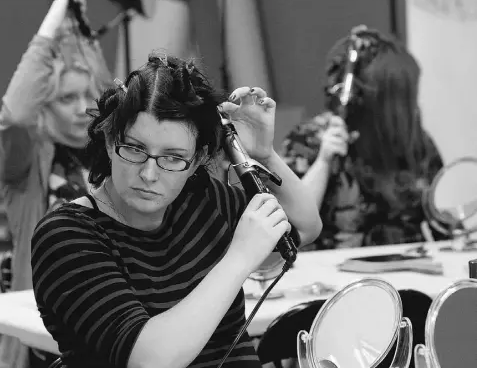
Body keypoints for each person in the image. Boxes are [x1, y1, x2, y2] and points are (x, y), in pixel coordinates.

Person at [30, 52, 322, 368]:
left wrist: (263, 155)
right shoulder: (66, 236)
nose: (149, 174)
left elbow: (304, 227)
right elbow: (150, 360)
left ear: (198, 159)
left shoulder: (203, 201)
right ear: (111, 140)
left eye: (172, 158)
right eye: (135, 149)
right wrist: (239, 258)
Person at [0, 0, 112, 368]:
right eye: (65, 98)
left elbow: (112, 96)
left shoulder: (115, 151)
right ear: (45, 104)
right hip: (47, 340)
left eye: (85, 96)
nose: (80, 108)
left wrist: (83, 35)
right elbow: (16, 118)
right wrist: (54, 19)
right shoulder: (26, 166)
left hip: (115, 323)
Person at [281, 26, 448, 250]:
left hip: (408, 268)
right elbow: (291, 226)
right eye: (400, 98)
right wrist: (323, 162)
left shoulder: (416, 142)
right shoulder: (308, 140)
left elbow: (437, 221)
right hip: (332, 274)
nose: (410, 107)